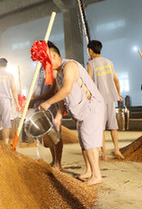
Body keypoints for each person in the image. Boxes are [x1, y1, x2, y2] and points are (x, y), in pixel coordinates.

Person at [39, 41, 105, 186]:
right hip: (80, 110)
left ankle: (96, 175)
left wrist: (48, 102)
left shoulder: (69, 66)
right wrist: (58, 116)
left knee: (90, 141)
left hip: (91, 106)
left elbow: (67, 89)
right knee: (83, 141)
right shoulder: (59, 74)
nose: (45, 66)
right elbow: (63, 97)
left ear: (54, 55)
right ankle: (89, 171)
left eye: (46, 61)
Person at [86, 40, 124, 160]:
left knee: (100, 127)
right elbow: (116, 80)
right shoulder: (109, 62)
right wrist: (118, 95)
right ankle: (117, 149)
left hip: (98, 100)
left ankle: (104, 154)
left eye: (88, 50)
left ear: (91, 50)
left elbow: (88, 83)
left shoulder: (90, 64)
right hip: (111, 98)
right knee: (113, 126)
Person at [29, 66, 64, 170]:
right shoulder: (40, 69)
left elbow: (53, 90)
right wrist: (32, 99)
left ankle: (58, 163)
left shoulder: (52, 69)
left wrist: (36, 99)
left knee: (55, 133)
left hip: (50, 104)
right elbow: (38, 87)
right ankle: (54, 160)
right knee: (48, 134)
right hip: (40, 104)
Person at [0, 58, 19, 144]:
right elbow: (14, 89)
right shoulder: (10, 75)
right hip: (6, 102)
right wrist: (17, 103)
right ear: (6, 65)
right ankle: (6, 144)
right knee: (6, 124)